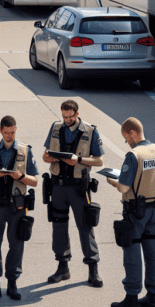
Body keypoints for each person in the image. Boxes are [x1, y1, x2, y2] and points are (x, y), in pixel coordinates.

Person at [0, 116, 38, 301]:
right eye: (6, 132)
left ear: (16, 129)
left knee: (16, 244)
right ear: (0, 130)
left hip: (17, 206)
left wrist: (21, 177)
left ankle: (12, 283)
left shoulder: (26, 151)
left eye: (12, 132)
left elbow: (34, 181)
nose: (9, 136)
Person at [42, 100, 104, 288]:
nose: (67, 120)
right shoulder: (55, 127)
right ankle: (63, 268)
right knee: (59, 226)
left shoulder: (90, 131)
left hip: (79, 187)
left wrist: (79, 160)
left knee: (85, 226)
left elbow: (99, 161)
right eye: (64, 116)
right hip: (58, 186)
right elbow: (45, 155)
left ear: (77, 114)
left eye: (70, 116)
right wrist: (49, 157)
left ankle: (93, 270)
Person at [106, 118, 155, 307]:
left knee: (132, 253)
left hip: (135, 212)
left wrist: (113, 181)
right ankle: (153, 296)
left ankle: (132, 298)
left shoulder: (133, 155)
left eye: (126, 138)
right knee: (152, 254)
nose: (127, 142)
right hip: (153, 209)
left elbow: (124, 187)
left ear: (132, 132)